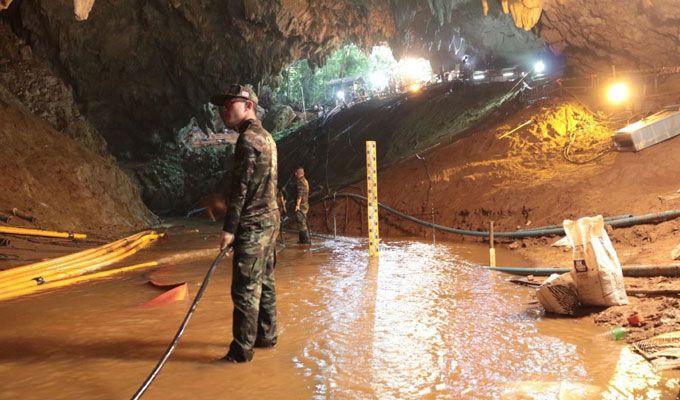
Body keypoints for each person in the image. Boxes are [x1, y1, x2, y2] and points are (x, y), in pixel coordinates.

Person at [211, 84, 279, 363]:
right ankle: (267, 336)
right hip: (270, 220)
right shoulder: (267, 137)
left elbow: (240, 190)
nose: (225, 109)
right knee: (265, 279)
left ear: (249, 105)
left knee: (244, 289)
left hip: (252, 223)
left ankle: (240, 353)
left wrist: (229, 229)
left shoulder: (247, 140)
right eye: (223, 105)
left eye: (231, 104)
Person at [293, 166, 310, 244]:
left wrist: (297, 205)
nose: (295, 174)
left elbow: (299, 195)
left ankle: (306, 241)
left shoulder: (300, 182)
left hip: (302, 205)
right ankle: (302, 240)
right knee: (302, 221)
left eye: (296, 173)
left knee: (301, 222)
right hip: (305, 203)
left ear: (298, 174)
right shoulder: (305, 181)